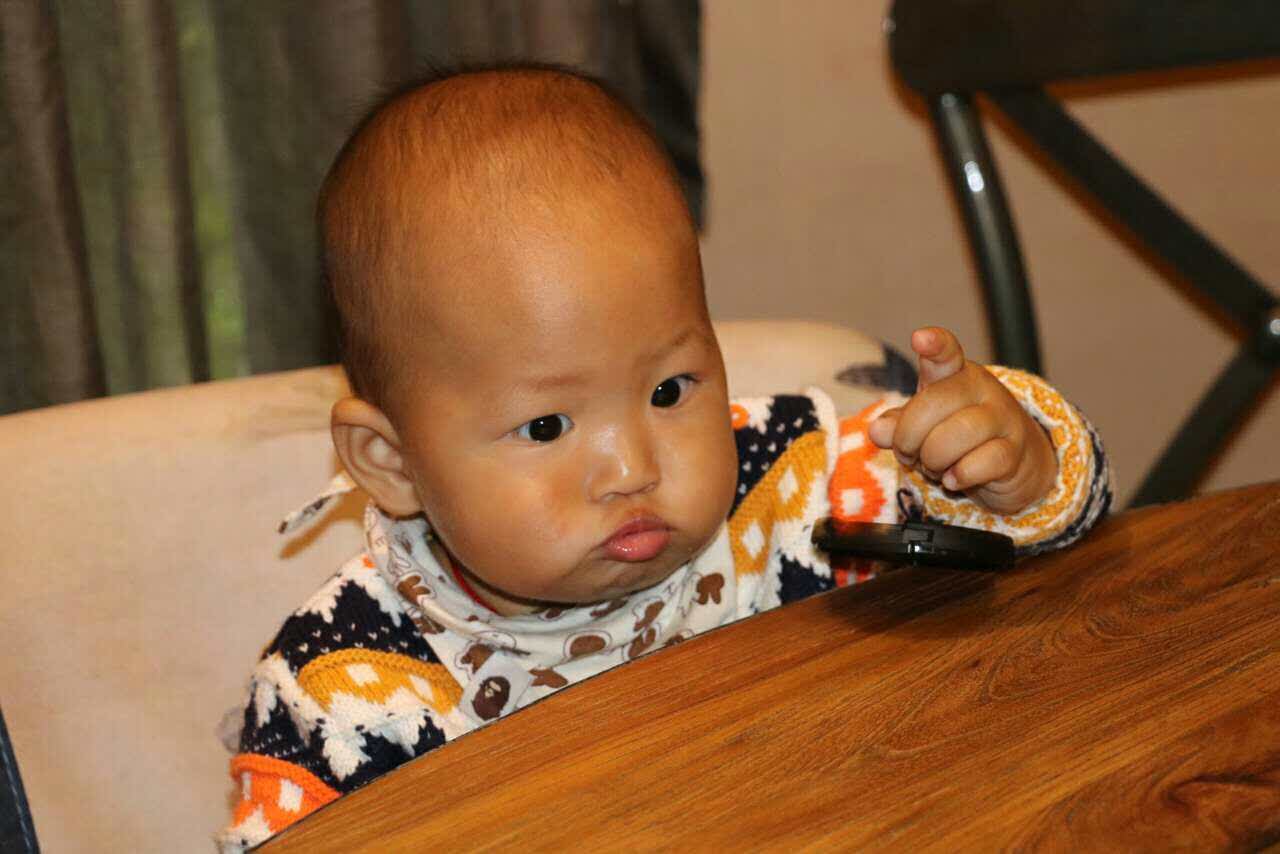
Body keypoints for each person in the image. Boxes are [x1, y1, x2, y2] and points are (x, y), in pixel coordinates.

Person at [216, 64, 1110, 851]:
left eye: (670, 390)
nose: (632, 469)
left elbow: (1019, 544)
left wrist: (1014, 468)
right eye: (546, 427)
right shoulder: (344, 689)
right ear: (392, 462)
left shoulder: (785, 490)